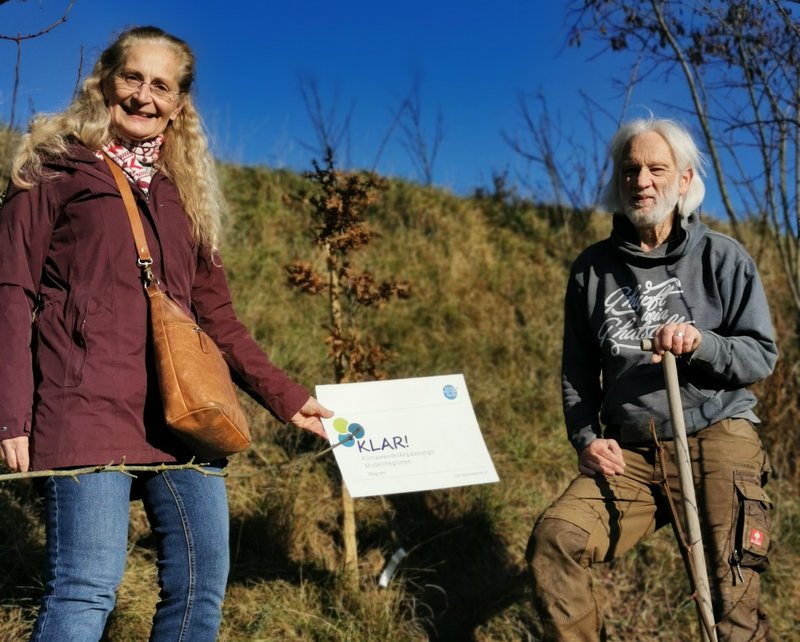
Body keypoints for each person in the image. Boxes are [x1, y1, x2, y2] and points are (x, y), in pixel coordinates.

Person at [0, 26, 332, 641]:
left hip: (188, 415)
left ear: (180, 103)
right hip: (87, 408)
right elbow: (10, 291)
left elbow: (218, 319)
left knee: (200, 594)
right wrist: (11, 414)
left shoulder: (184, 196)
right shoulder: (55, 171)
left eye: (162, 85)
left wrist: (287, 397)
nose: (144, 97)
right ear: (105, 80)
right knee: (86, 589)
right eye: (132, 77)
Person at [526, 117, 777, 641]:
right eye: (630, 169)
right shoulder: (590, 271)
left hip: (716, 432)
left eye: (656, 168)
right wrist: (587, 440)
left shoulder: (723, 258)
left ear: (684, 180)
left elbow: (761, 356)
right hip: (632, 454)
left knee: (729, 591)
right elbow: (577, 374)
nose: (641, 180)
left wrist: (702, 343)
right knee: (556, 539)